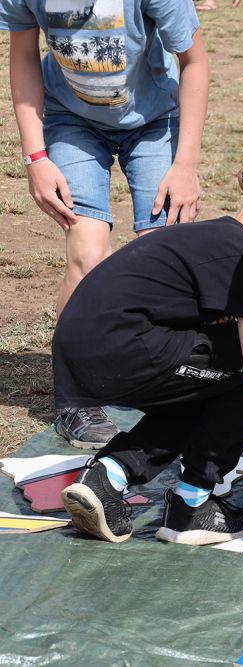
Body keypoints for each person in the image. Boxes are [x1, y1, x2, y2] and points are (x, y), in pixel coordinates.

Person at [57, 167, 243, 546]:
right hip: (124, 345)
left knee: (216, 381)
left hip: (86, 350)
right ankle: (192, 504)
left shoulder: (214, 240)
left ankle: (108, 476)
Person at [2, 0, 209, 448]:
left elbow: (194, 62)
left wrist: (186, 165)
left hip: (155, 121)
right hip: (70, 120)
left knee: (163, 253)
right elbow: (23, 56)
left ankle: (172, 383)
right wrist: (35, 157)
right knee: (88, 252)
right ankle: (76, 399)